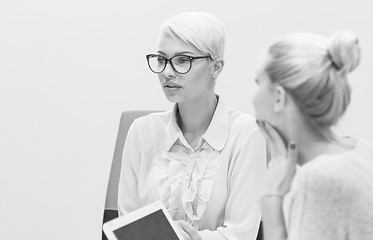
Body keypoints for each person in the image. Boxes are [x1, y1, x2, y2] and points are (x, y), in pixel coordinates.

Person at [117, 11, 267, 240]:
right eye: (161, 59)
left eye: (182, 60)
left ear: (216, 67)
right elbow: (127, 226)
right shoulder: (142, 131)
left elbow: (241, 234)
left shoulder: (245, 133)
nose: (167, 72)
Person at [252, 31, 373, 240]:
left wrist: (271, 198)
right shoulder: (357, 157)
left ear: (278, 97)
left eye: (257, 82)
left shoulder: (319, 178)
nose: (253, 99)